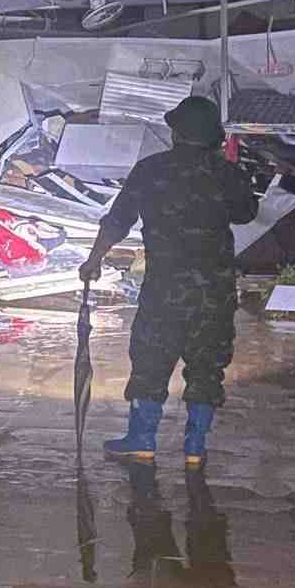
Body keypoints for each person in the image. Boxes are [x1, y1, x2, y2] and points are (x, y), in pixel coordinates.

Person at [78, 95, 256, 464]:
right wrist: (224, 172)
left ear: (176, 132)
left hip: (164, 291)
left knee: (150, 360)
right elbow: (245, 213)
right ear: (214, 137)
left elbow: (117, 221)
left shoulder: (150, 170)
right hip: (215, 293)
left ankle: (142, 439)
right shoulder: (227, 174)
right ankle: (195, 448)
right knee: (207, 366)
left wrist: (93, 261)